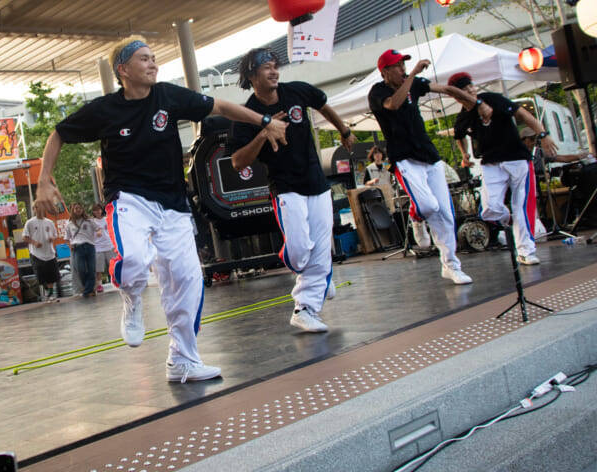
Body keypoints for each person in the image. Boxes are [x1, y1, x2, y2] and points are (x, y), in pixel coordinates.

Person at [35, 36, 288, 383]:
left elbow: (221, 107)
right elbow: (58, 133)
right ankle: (131, 297)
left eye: (154, 57)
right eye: (143, 58)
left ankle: (182, 360)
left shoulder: (168, 96)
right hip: (129, 199)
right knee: (134, 259)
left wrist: (264, 121)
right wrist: (43, 180)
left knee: (187, 280)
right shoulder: (106, 109)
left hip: (173, 204)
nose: (152, 63)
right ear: (123, 69)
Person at [229, 48, 355, 333]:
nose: (274, 71)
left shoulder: (297, 91)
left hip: (316, 183)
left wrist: (344, 130)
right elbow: (237, 162)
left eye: (275, 66)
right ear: (252, 75)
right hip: (286, 188)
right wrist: (264, 133)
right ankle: (317, 275)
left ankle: (305, 308)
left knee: (321, 249)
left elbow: (323, 105)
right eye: (266, 67)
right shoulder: (247, 115)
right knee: (299, 253)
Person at [367, 49, 488, 284]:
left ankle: (451, 265)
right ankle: (416, 216)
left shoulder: (414, 83)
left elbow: (446, 89)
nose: (403, 69)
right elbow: (393, 104)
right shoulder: (378, 92)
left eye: (404, 65)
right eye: (398, 66)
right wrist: (412, 74)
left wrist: (476, 103)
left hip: (429, 157)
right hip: (404, 159)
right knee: (428, 205)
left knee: (445, 213)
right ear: (385, 72)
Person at [449, 72, 557, 265]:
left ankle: (525, 251)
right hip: (491, 163)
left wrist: (543, 134)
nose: (471, 90)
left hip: (516, 158)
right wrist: (464, 154)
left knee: (522, 205)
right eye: (465, 89)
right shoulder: (463, 117)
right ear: (457, 96)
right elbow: (459, 135)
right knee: (488, 210)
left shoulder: (492, 99)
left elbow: (522, 114)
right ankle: (510, 218)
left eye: (471, 86)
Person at [24, 201, 60, 302]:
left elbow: (55, 235)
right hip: (36, 254)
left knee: (52, 276)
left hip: (49, 253)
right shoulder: (30, 222)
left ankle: (50, 295)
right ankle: (48, 293)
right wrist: (34, 242)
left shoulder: (49, 222)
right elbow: (25, 237)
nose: (39, 209)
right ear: (34, 209)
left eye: (41, 207)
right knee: (41, 276)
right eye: (37, 207)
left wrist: (52, 238)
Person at [65, 202, 97, 297]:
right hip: (77, 248)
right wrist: (70, 245)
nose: (78, 210)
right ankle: (88, 289)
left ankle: (87, 291)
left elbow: (98, 228)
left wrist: (99, 232)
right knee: (80, 270)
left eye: (80, 208)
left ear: (82, 210)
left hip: (89, 246)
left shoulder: (89, 221)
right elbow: (66, 238)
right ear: (73, 210)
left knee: (91, 269)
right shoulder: (69, 223)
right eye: (76, 208)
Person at [92, 203, 116, 288]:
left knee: (113, 266)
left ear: (102, 210)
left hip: (109, 245)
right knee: (98, 269)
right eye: (95, 210)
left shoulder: (107, 219)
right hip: (98, 247)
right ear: (93, 212)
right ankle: (99, 285)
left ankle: (116, 281)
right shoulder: (92, 222)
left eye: (99, 209)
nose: (97, 211)